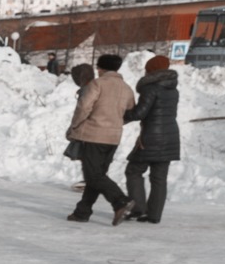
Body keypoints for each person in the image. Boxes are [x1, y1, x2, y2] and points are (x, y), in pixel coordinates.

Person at [65, 53, 136, 224]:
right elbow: (131, 112)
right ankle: (82, 212)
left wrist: (74, 126)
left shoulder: (98, 84)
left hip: (93, 136)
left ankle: (120, 201)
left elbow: (83, 107)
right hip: (113, 138)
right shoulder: (126, 88)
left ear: (100, 68)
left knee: (93, 176)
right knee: (96, 176)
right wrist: (116, 122)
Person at [123, 54, 180, 224]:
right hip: (171, 136)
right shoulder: (173, 89)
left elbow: (140, 113)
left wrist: (123, 115)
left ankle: (138, 208)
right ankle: (154, 215)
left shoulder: (151, 88)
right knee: (159, 178)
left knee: (133, 170)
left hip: (151, 137)